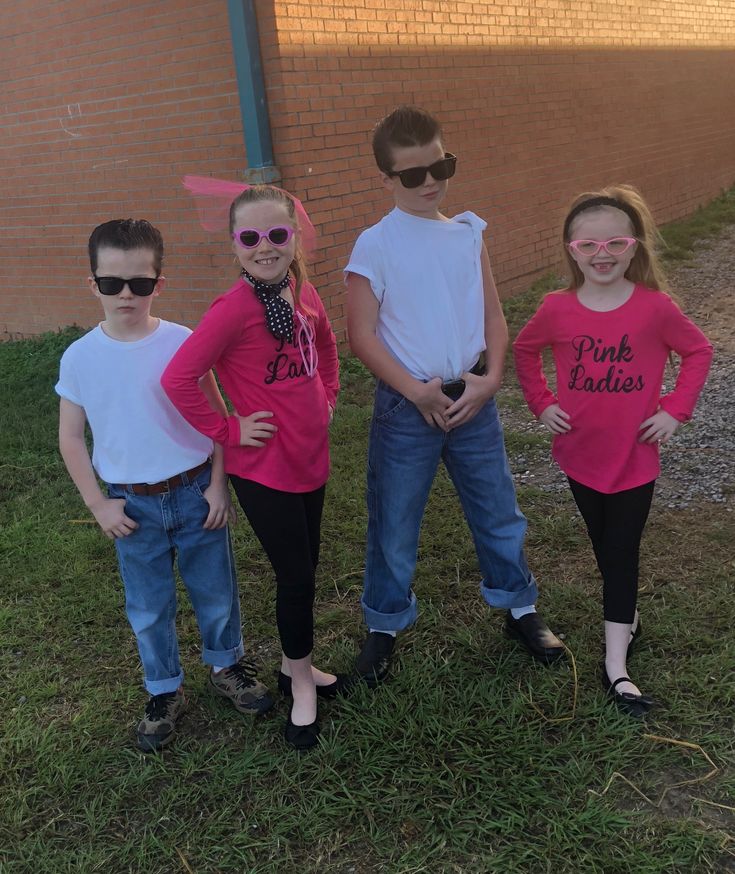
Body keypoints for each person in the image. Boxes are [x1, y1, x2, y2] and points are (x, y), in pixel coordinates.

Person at [344, 105, 565, 685]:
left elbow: (492, 313)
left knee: (497, 511)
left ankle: (521, 608)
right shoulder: (375, 245)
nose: (431, 182)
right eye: (413, 174)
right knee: (394, 521)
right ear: (387, 179)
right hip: (406, 405)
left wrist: (490, 378)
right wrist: (415, 391)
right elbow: (361, 336)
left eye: (441, 165)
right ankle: (384, 626)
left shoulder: (468, 232)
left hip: (472, 396)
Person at [57, 219, 273, 753]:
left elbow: (218, 418)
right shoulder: (81, 357)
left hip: (195, 490)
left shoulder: (183, 342)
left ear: (160, 283)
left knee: (215, 592)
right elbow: (70, 438)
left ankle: (226, 666)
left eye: (140, 283)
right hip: (132, 507)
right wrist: (98, 505)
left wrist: (219, 485)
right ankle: (163, 688)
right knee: (149, 606)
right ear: (93, 285)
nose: (126, 294)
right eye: (112, 284)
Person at [513, 184, 713, 716]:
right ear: (571, 250)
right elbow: (524, 351)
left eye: (615, 243)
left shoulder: (654, 308)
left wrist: (674, 409)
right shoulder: (556, 309)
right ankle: (625, 614)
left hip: (635, 457)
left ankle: (616, 666)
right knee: (605, 547)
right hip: (580, 455)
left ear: (634, 246)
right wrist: (541, 402)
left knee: (621, 553)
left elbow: (698, 350)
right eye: (588, 246)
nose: (602, 255)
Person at [161, 179, 343, 750]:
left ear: (294, 237)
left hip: (311, 457)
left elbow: (328, 347)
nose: (264, 246)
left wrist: (328, 397)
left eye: (277, 233)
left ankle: (297, 666)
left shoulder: (302, 292)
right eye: (249, 236)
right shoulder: (233, 310)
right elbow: (179, 377)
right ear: (234, 244)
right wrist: (227, 428)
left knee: (308, 566)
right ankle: (302, 686)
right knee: (296, 577)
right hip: (264, 468)